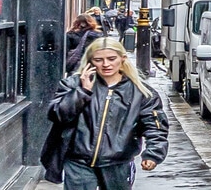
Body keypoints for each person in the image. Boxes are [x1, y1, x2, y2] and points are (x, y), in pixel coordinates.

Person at [42, 37, 168, 190]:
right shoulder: (73, 84)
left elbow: (155, 126)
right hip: (78, 161)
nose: (106, 64)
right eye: (99, 60)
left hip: (118, 163)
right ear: (90, 62)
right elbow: (57, 115)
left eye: (111, 59)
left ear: (122, 59)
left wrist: (153, 154)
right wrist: (82, 92)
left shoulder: (141, 92)